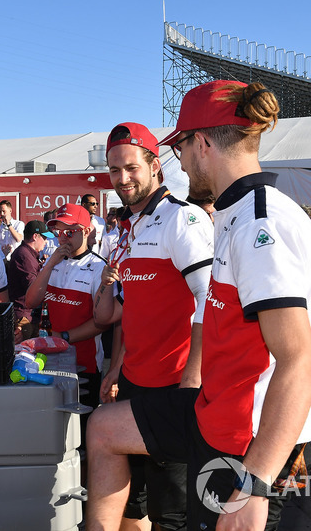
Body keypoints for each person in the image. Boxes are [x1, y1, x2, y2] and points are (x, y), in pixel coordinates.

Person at [86, 81, 311, 531]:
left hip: (247, 439)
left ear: (200, 144)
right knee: (103, 429)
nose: (181, 162)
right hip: (215, 413)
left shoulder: (259, 224)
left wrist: (255, 484)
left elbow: (302, 361)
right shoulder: (240, 212)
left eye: (179, 149)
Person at [91, 122, 214, 530]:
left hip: (174, 385)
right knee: (133, 503)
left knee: (172, 513)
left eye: (131, 168)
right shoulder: (132, 227)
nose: (122, 179)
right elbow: (134, 310)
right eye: (113, 171)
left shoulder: (184, 219)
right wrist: (116, 366)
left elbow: (210, 300)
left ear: (154, 165)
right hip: (133, 383)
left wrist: (192, 380)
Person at [25, 204, 109, 431]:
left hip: (85, 364)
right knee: (54, 429)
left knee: (81, 433)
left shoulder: (99, 267)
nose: (63, 238)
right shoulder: (53, 263)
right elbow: (30, 302)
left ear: (87, 231)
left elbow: (102, 321)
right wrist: (50, 264)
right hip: (50, 360)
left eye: (70, 232)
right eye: (58, 232)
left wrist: (64, 336)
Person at [8, 220, 54, 340]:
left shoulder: (28, 254)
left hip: (28, 314)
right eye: (44, 238)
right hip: (24, 316)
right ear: (35, 236)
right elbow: (34, 287)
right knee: (26, 353)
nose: (46, 241)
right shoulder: (24, 255)